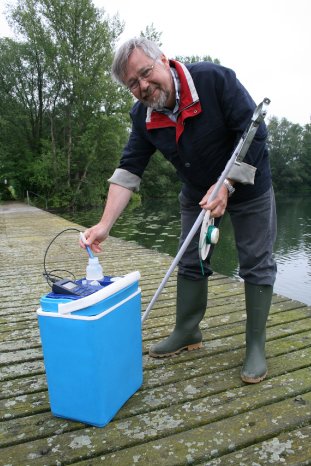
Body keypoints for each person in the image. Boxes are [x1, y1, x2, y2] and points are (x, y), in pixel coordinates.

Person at [81, 37, 277, 384]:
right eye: (132, 84)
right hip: (196, 190)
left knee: (255, 261)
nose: (143, 86)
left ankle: (255, 346)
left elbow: (254, 134)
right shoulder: (142, 117)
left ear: (164, 61)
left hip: (247, 182)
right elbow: (129, 169)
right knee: (190, 259)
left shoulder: (215, 80)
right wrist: (104, 225)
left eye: (145, 73)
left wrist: (227, 186)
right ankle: (188, 331)